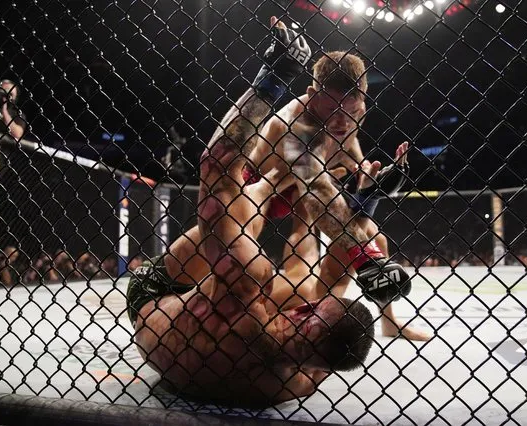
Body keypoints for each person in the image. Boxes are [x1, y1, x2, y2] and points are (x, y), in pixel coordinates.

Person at [128, 17, 376, 405]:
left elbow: (215, 163)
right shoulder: (300, 380)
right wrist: (360, 213)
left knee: (251, 236)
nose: (342, 121)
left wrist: (272, 79)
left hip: (154, 296)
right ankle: (278, 188)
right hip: (260, 179)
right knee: (267, 208)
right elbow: (312, 245)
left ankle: (277, 185)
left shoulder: (242, 285)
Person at [246, 49, 428, 339]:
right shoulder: (298, 127)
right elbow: (317, 194)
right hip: (263, 184)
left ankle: (389, 320)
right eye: (333, 111)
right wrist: (365, 257)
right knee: (298, 258)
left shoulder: (355, 110)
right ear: (312, 95)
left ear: (361, 100)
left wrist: (364, 176)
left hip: (315, 174)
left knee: (374, 236)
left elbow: (349, 144)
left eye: (351, 112)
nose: (343, 122)